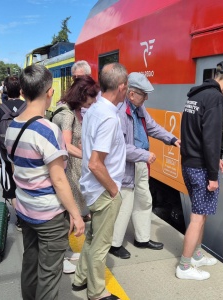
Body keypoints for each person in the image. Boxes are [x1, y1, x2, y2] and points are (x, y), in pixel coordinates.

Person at [4, 64, 85, 300]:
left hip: (26, 210)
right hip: (49, 215)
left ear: (23, 92)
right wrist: (76, 215)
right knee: (49, 275)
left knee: (30, 264)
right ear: (49, 92)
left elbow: (14, 167)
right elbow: (59, 179)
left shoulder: (12, 126)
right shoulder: (48, 130)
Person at [177, 60, 223, 280]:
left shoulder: (195, 95)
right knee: (198, 217)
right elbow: (211, 137)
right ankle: (185, 267)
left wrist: (216, 160)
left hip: (190, 162)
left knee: (202, 214)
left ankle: (196, 255)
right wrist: (213, 176)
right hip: (200, 168)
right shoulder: (216, 98)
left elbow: (195, 133)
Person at [109, 72, 181, 259]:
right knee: (124, 206)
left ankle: (142, 238)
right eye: (144, 93)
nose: (147, 97)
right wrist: (144, 154)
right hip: (126, 168)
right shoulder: (119, 113)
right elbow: (120, 147)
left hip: (140, 164)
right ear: (131, 94)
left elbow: (152, 126)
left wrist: (172, 139)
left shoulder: (139, 108)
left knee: (144, 200)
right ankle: (114, 244)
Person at [72, 63, 128, 300]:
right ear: (122, 87)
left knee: (93, 237)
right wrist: (115, 190)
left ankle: (80, 278)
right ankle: (96, 292)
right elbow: (96, 163)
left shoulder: (94, 110)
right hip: (104, 190)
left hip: (93, 188)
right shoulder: (109, 118)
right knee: (101, 244)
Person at [52, 75, 99, 220]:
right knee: (75, 215)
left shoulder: (67, 108)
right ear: (83, 95)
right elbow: (65, 145)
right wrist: (87, 156)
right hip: (70, 172)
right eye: (92, 99)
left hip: (72, 168)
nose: (95, 102)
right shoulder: (68, 115)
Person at [0, 76, 24, 231]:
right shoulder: (29, 107)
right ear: (22, 90)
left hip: (6, 154)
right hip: (26, 155)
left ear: (5, 90)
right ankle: (29, 217)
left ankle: (20, 218)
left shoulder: (0, 110)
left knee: (11, 187)